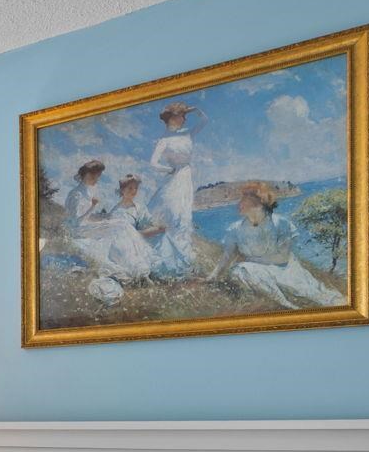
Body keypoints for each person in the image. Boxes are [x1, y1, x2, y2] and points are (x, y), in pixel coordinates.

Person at [210, 185, 345, 308]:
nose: (239, 204)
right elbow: (226, 256)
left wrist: (252, 262)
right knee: (240, 270)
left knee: (316, 296)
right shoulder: (235, 229)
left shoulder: (281, 223)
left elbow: (283, 257)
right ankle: (286, 305)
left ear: (258, 203)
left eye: (244, 200)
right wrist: (212, 276)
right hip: (255, 271)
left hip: (285, 270)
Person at [67, 161, 155, 281]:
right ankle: (135, 268)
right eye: (93, 176)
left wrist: (101, 217)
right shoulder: (76, 194)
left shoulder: (87, 191)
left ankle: (137, 265)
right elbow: (77, 219)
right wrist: (92, 206)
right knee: (120, 225)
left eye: (97, 176)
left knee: (121, 225)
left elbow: (88, 216)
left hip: (86, 225)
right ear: (84, 175)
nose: (95, 179)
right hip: (79, 229)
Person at [147, 101, 203, 276]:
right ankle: (170, 265)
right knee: (174, 217)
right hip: (174, 178)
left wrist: (195, 110)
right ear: (172, 117)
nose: (185, 119)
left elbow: (205, 121)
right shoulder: (164, 140)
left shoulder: (187, 133)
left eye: (186, 116)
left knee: (183, 218)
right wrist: (169, 169)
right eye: (182, 115)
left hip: (186, 178)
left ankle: (182, 264)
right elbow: (153, 163)